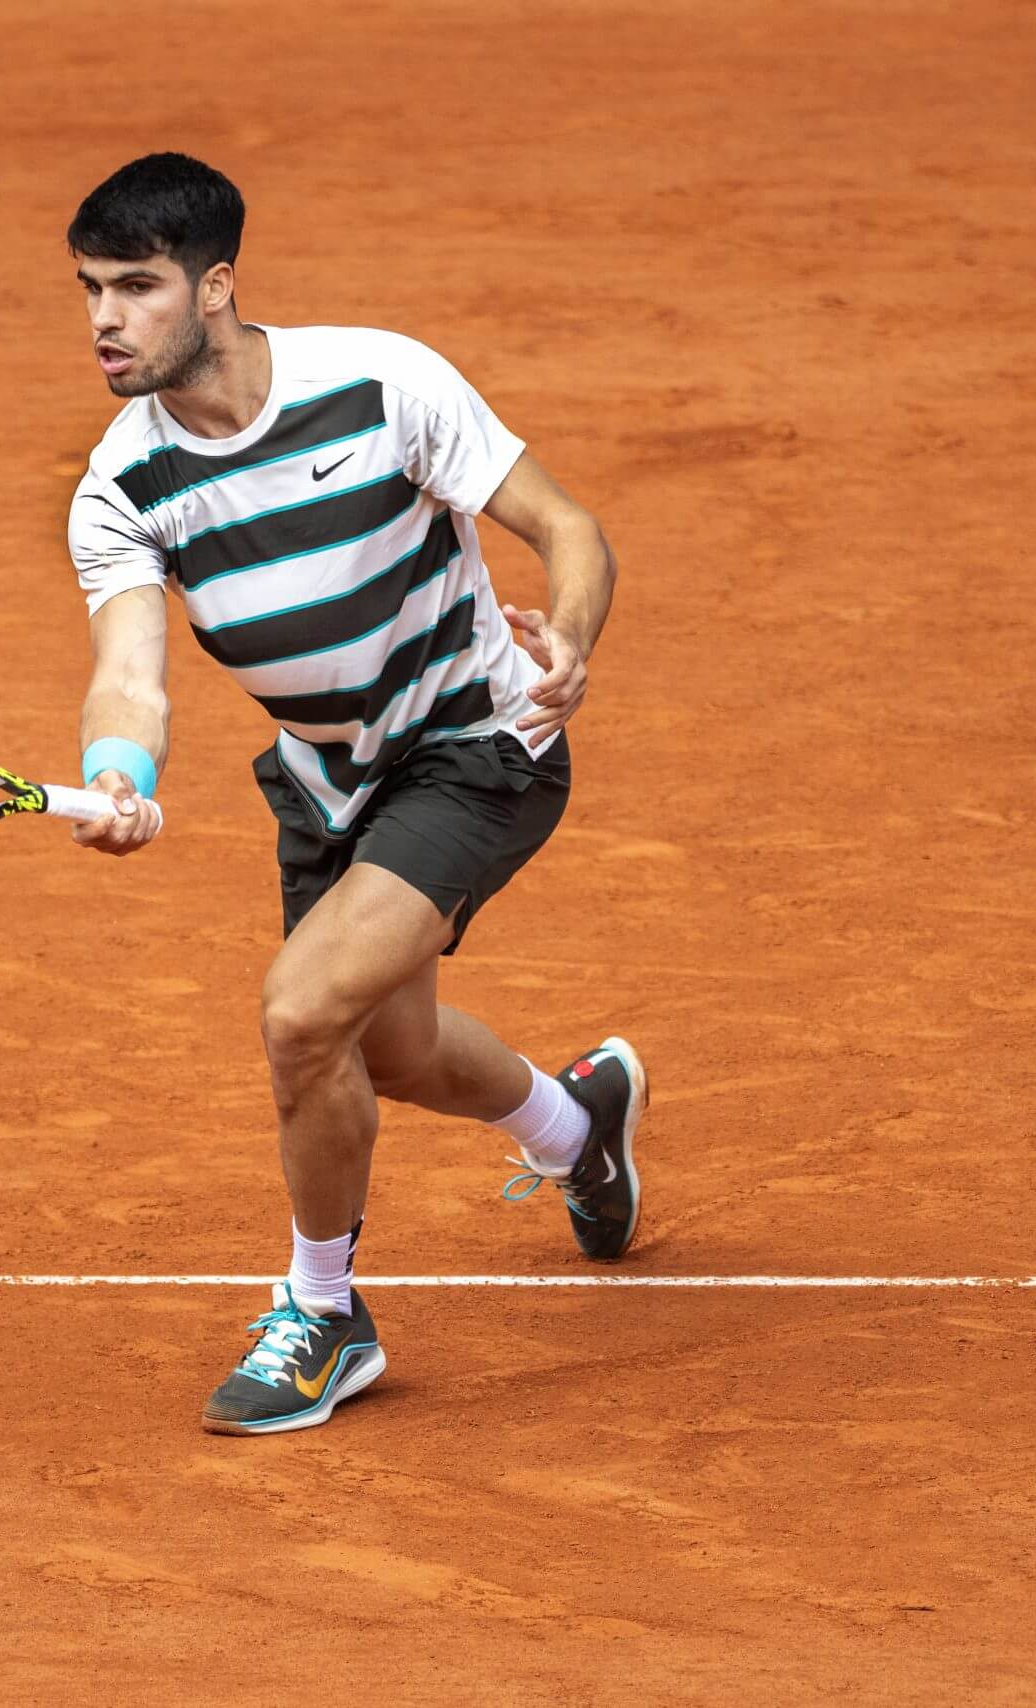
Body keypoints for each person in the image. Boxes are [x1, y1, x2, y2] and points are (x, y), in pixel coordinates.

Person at [62, 152, 647, 1436]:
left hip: (477, 744)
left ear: (217, 287)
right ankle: (577, 1127)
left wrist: (569, 640)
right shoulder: (122, 488)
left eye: (136, 287)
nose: (104, 318)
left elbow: (569, 530)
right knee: (390, 1050)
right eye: (91, 289)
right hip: (326, 783)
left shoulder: (382, 385)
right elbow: (127, 677)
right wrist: (119, 772)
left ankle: (325, 1315)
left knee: (299, 1014)